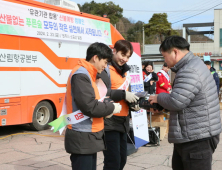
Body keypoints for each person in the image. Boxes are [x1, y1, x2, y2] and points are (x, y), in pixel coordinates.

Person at [149, 36, 221, 170]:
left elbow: (176, 101)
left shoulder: (189, 70)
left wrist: (158, 98)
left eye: (165, 56)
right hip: (193, 134)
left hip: (196, 139)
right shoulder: (193, 65)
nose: (165, 61)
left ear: (175, 52)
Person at [64, 42, 122, 170]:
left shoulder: (89, 74)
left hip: (88, 135)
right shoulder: (81, 75)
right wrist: (112, 108)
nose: (105, 66)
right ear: (95, 58)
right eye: (105, 62)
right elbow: (90, 106)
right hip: (82, 135)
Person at [98, 40, 140, 170]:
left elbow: (127, 92)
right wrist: (123, 95)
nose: (125, 59)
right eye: (123, 55)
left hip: (123, 122)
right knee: (113, 162)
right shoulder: (105, 69)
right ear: (114, 51)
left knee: (122, 159)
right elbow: (101, 92)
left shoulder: (125, 72)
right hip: (109, 121)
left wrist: (134, 103)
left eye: (128, 57)